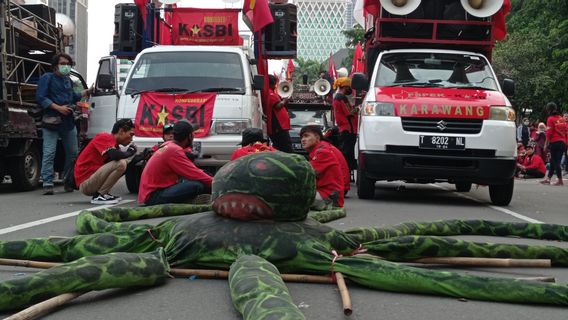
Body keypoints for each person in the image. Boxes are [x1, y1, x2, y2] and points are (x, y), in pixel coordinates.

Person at [36, 53, 93, 195]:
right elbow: (41, 97)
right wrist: (58, 108)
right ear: (56, 65)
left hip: (67, 122)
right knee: (49, 152)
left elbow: (73, 96)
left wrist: (87, 91)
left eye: (68, 63)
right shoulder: (47, 78)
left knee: (73, 153)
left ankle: (68, 181)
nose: (66, 66)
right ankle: (47, 182)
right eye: (63, 63)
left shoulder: (68, 80)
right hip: (51, 121)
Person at [138, 120, 213, 206]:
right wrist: (216, 184)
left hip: (154, 192)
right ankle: (188, 202)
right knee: (197, 186)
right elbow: (194, 174)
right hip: (154, 196)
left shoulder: (169, 145)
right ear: (190, 136)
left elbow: (194, 171)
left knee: (202, 176)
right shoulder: (174, 150)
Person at [74, 119, 136, 204]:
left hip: (93, 179)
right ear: (121, 131)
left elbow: (123, 167)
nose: (131, 139)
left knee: (124, 163)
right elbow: (116, 155)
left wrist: (139, 158)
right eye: (131, 134)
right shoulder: (105, 137)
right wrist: (130, 152)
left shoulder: (115, 146)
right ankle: (100, 195)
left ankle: (104, 194)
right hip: (86, 182)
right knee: (121, 163)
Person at [300, 125, 344, 209]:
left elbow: (305, 173)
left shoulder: (322, 152)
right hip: (328, 193)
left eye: (306, 136)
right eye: (302, 137)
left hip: (329, 197)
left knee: (290, 196)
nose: (303, 140)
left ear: (317, 137)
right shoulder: (321, 149)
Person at [332, 77, 359, 170]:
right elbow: (350, 111)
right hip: (348, 130)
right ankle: (345, 172)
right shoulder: (341, 97)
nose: (350, 89)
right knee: (348, 153)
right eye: (349, 87)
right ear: (345, 87)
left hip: (345, 129)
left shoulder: (338, 97)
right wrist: (359, 107)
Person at [540, 102, 567, 186]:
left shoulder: (550, 119)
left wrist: (545, 144)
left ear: (549, 110)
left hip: (555, 143)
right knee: (552, 161)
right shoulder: (561, 119)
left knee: (556, 162)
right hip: (563, 143)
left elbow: (549, 133)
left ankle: (560, 180)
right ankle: (548, 179)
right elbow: (566, 131)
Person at [266, 75, 293, 153]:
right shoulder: (270, 93)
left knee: (281, 146)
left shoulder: (271, 93)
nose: (275, 86)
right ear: (270, 84)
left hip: (280, 126)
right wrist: (284, 100)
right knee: (285, 147)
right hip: (278, 126)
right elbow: (277, 106)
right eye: (274, 84)